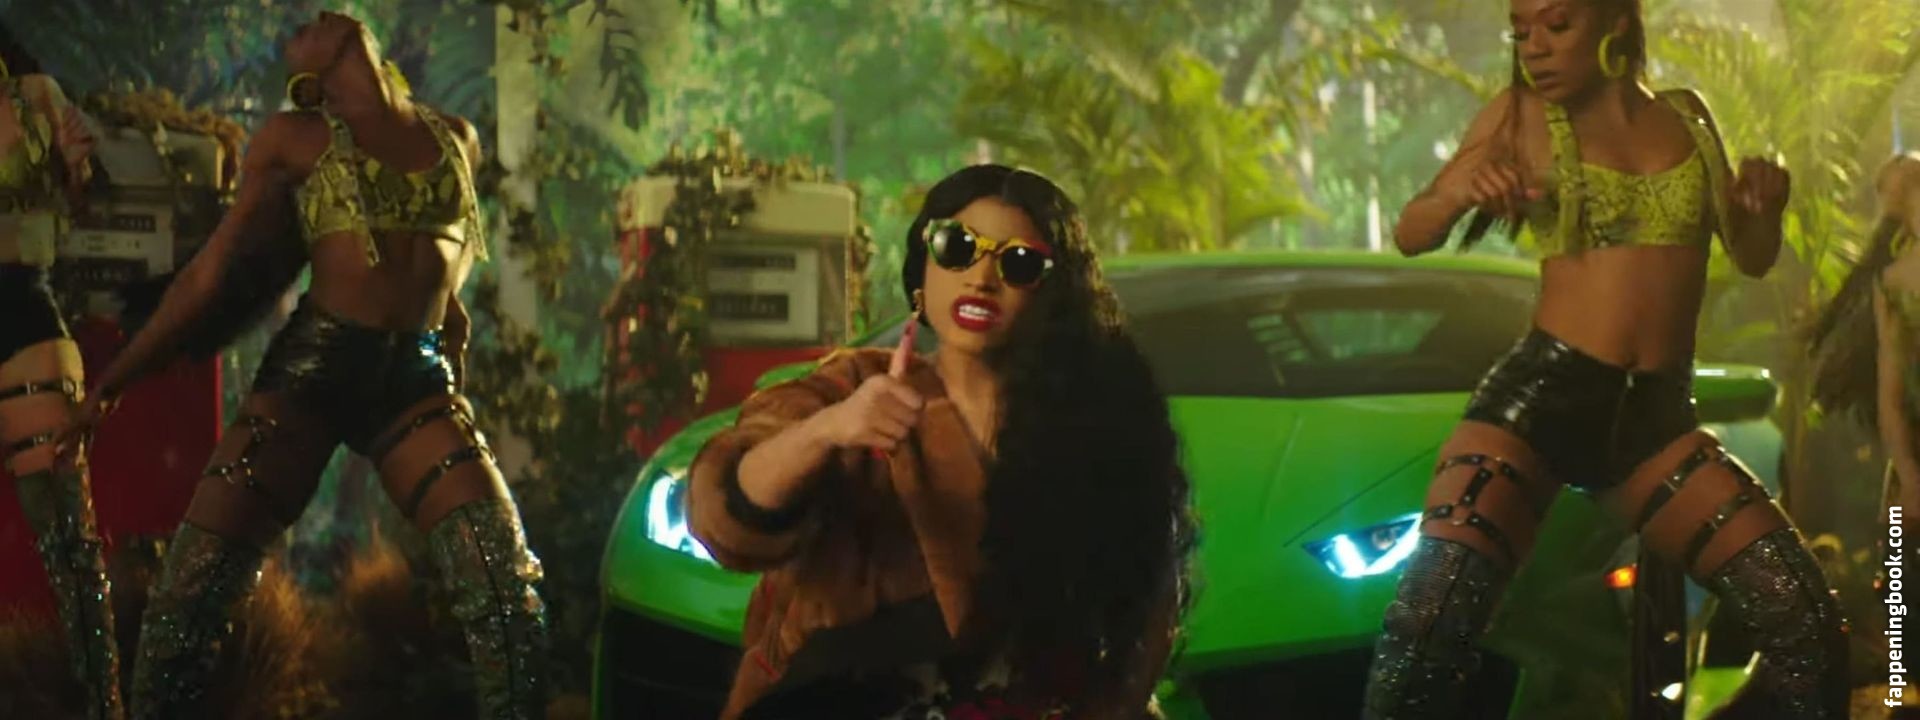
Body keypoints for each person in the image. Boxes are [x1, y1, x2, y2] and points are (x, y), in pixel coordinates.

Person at [56, 11, 547, 719]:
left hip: (415, 380)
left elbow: (453, 254)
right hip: (316, 368)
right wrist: (112, 381)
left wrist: (453, 321)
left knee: (505, 591)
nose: (310, 19)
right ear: (304, 71)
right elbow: (211, 272)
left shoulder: (455, 138)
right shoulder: (294, 139)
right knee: (189, 599)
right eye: (296, 30)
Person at [1363, 0, 1847, 717]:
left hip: (1655, 420)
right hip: (1540, 399)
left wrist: (1763, 211)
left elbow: (1750, 255)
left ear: (1615, 21)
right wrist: (1458, 190)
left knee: (1807, 624)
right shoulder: (1519, 117)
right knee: (1428, 631)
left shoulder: (1687, 117)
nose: (1535, 46)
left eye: (1557, 25)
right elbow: (1412, 232)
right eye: (1522, 30)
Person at [686, 164, 1192, 719]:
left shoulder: (1095, 423)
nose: (981, 278)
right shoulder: (852, 386)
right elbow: (724, 516)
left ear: (1056, 293)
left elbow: (1151, 600)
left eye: (1018, 262)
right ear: (922, 270)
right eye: (958, 247)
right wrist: (829, 429)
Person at [0, 21, 121, 720]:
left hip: (21, 311)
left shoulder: (35, 95)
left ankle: (105, 706)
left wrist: (78, 167)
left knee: (69, 542)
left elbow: (83, 204)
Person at [1810, 152, 1920, 604]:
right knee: (1901, 593)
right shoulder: (1891, 283)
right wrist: (1910, 480)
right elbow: (1889, 395)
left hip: (1908, 462)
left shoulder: (1891, 280)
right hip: (1912, 456)